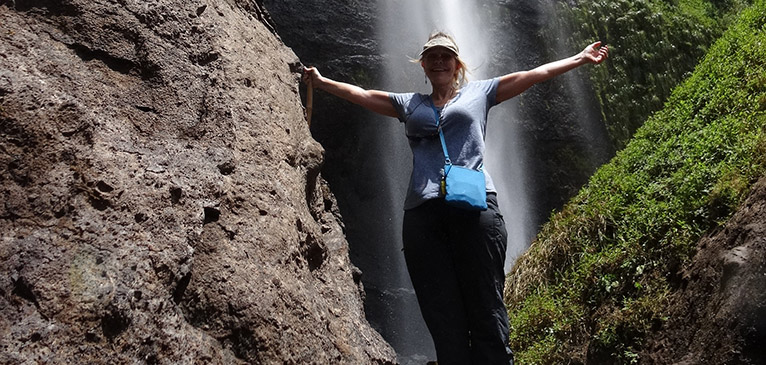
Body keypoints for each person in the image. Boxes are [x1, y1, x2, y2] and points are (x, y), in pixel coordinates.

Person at [303, 31, 608, 365]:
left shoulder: (481, 93)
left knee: (485, 302)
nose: (439, 61)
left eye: (445, 56)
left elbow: (531, 76)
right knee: (440, 311)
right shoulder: (410, 104)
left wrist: (579, 58)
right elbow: (361, 94)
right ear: (423, 64)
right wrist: (321, 82)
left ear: (456, 63)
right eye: (432, 56)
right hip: (423, 214)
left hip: (475, 209)